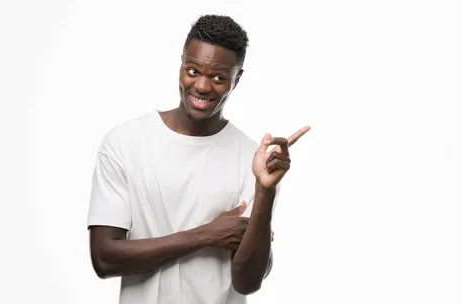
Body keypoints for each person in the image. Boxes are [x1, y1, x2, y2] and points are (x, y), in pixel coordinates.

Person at [86, 14, 310, 304]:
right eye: (193, 71)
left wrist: (264, 191)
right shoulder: (125, 143)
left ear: (236, 79)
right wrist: (204, 235)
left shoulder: (254, 162)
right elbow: (104, 259)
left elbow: (247, 282)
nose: (202, 87)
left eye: (218, 77)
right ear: (181, 64)